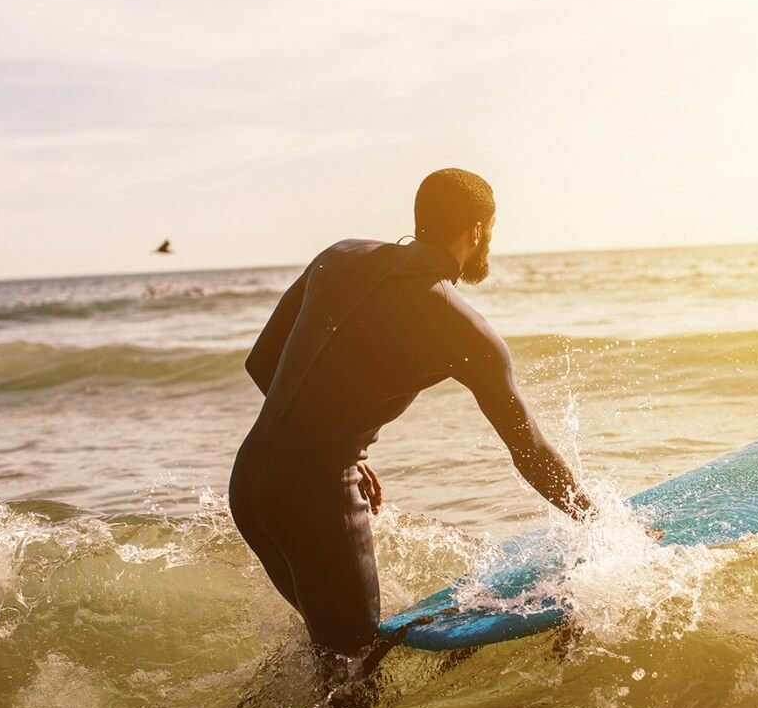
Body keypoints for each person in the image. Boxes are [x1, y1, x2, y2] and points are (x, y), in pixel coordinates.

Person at [229, 168, 596, 659]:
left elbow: (263, 363)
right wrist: (598, 524)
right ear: (477, 232)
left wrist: (336, 444)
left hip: (252, 482)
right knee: (352, 670)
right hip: (313, 497)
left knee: (329, 657)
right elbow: (527, 449)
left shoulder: (339, 256)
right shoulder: (462, 328)